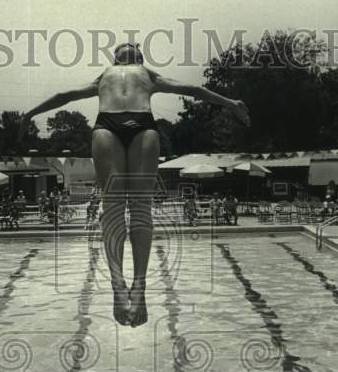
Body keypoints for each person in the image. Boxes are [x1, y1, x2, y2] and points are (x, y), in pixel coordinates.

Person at [22, 42, 249, 325]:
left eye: (132, 49)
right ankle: (118, 287)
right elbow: (63, 96)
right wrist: (29, 114)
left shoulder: (148, 74)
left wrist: (229, 102)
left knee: (141, 208)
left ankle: (139, 287)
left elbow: (192, 90)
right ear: (115, 58)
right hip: (108, 126)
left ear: (139, 57)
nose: (128, 50)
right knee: (113, 207)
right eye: (123, 49)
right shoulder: (105, 75)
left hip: (143, 125)